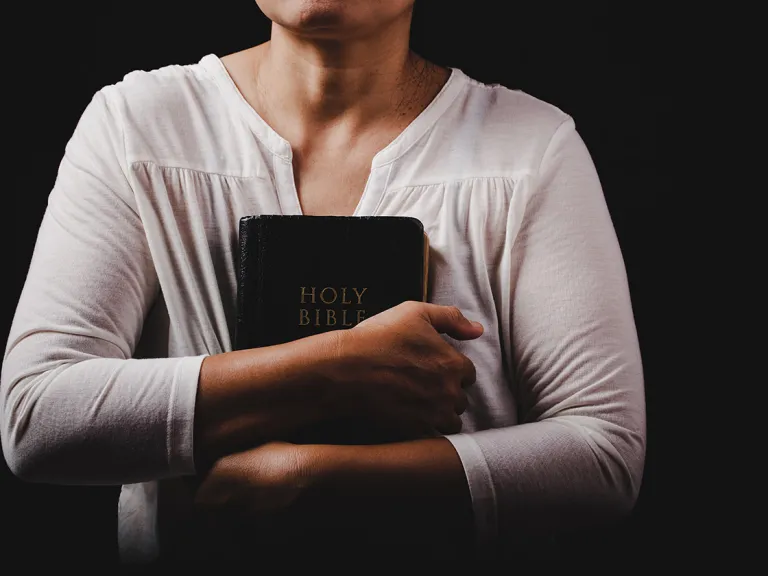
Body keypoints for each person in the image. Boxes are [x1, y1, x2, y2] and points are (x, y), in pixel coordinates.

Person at [1, 0, 645, 571]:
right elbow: (38, 416)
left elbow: (603, 454)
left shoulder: (532, 148)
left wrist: (318, 476)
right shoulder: (138, 126)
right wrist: (334, 370)